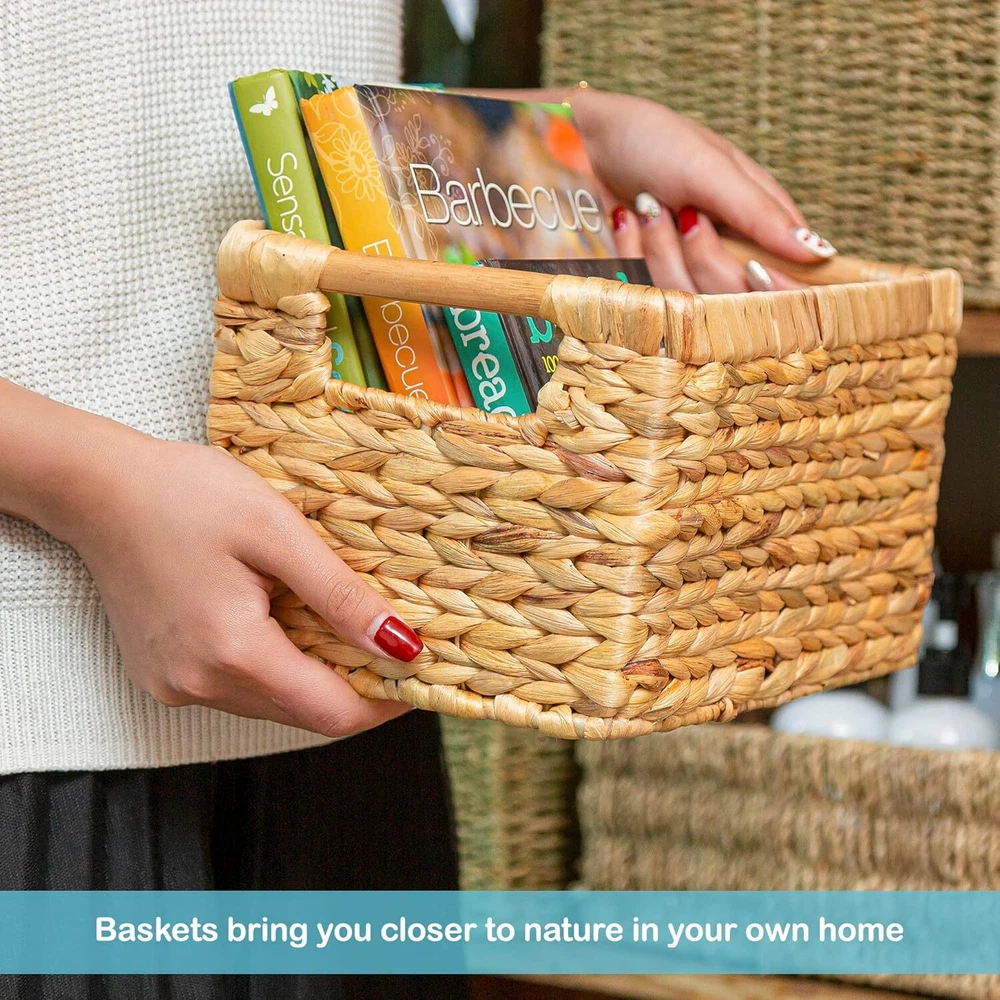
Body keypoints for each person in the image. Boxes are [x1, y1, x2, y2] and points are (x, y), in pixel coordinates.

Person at [0, 1, 837, 996]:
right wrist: (87, 483)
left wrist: (561, 139)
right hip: (41, 731)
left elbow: (221, 93)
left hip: (347, 697)